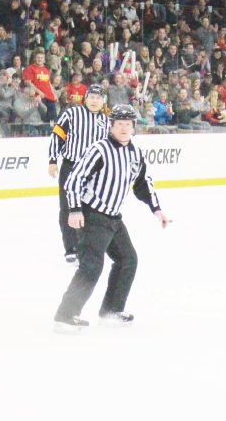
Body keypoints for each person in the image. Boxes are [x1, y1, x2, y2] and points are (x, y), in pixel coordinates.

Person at [53, 104, 168, 333]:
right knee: (92, 267)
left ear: (134, 128)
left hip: (114, 219)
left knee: (128, 260)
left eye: (128, 124)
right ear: (111, 126)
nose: (124, 129)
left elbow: (144, 183)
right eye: (119, 124)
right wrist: (74, 210)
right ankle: (65, 316)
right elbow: (75, 180)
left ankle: (111, 311)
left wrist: (157, 209)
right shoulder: (99, 149)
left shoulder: (135, 153)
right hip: (92, 216)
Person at [48, 84, 110, 263]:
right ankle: (71, 247)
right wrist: (52, 160)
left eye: (98, 98)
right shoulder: (72, 114)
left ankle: (87, 247)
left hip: (94, 171)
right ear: (85, 98)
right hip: (71, 166)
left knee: (92, 210)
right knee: (68, 208)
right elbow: (57, 136)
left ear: (103, 101)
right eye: (92, 97)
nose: (94, 101)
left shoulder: (106, 121)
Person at [23, 48, 58, 123]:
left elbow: (48, 83)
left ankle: (51, 131)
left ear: (44, 59)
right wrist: (38, 92)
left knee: (53, 117)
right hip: (38, 97)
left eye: (41, 58)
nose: (40, 59)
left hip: (49, 97)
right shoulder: (30, 68)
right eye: (38, 58)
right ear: (35, 58)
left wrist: (54, 94)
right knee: (43, 117)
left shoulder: (46, 70)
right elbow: (27, 82)